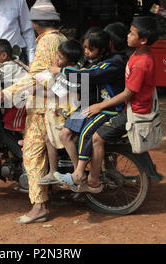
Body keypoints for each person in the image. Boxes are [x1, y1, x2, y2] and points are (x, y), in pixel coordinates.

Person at [0, 0, 67, 224]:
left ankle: (39, 207)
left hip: (43, 107)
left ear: (36, 22)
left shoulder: (46, 42)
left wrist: (7, 93)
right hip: (59, 102)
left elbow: (36, 76)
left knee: (32, 155)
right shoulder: (60, 38)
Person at [71, 16, 159, 192]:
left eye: (131, 33)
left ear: (143, 40)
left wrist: (100, 106)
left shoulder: (140, 63)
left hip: (133, 111)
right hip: (131, 107)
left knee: (96, 137)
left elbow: (127, 94)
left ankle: (91, 180)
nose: (128, 35)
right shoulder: (136, 55)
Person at [52, 26, 127, 193]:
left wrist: (61, 70)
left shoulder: (110, 64)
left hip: (107, 108)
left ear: (105, 47)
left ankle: (79, 174)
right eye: (84, 48)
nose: (86, 52)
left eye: (90, 49)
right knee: (65, 134)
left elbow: (86, 76)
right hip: (89, 106)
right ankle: (78, 171)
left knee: (88, 133)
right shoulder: (92, 62)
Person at [36, 39, 83, 185]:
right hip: (64, 110)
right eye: (57, 55)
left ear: (69, 61)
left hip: (69, 113)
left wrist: (34, 92)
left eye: (60, 57)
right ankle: (55, 171)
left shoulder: (72, 74)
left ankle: (76, 171)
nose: (57, 59)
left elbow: (56, 93)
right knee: (50, 139)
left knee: (58, 138)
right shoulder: (72, 69)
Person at [0, 39, 29, 133]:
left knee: (16, 124)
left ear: (4, 55)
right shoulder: (17, 62)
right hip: (19, 98)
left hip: (21, 101)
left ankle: (23, 141)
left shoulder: (8, 68)